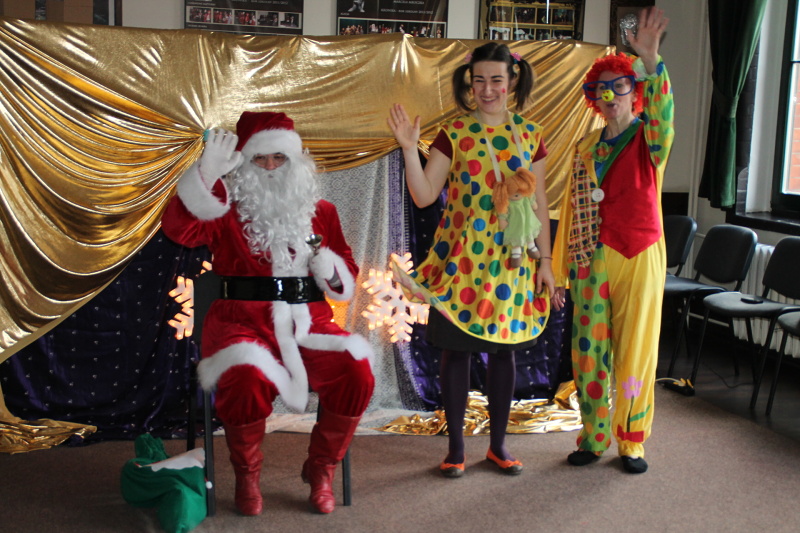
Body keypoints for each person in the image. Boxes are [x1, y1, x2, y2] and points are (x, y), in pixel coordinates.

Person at [161, 112, 375, 515]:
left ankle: (321, 468)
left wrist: (328, 268)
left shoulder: (322, 211)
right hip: (238, 322)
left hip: (307, 322)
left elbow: (345, 276)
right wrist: (205, 175)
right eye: (260, 158)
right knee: (244, 374)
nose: (271, 167)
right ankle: (247, 475)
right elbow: (178, 230)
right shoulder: (224, 208)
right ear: (244, 162)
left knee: (356, 367)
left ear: (295, 161)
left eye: (280, 157)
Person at [387, 42, 555, 478]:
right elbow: (424, 196)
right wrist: (409, 148)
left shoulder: (531, 135)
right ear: (470, 83)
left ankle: (498, 446)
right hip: (461, 265)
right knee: (456, 354)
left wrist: (546, 261)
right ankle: (456, 449)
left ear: (512, 81)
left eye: (496, 79)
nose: (487, 89)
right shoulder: (455, 133)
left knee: (503, 355)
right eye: (479, 80)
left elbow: (539, 203)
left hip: (511, 266)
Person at [551, 7, 672, 474]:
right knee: (588, 350)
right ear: (593, 100)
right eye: (602, 90)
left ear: (634, 92)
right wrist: (561, 270)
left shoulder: (650, 141)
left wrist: (651, 61)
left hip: (638, 254)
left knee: (635, 350)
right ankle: (594, 434)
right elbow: (570, 209)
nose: (610, 96)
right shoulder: (585, 149)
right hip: (590, 257)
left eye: (619, 87)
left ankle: (631, 440)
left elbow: (663, 117)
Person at [493, 168, 542, 267]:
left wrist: (534, 204)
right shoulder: (508, 203)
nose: (519, 195)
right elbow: (503, 212)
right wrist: (502, 220)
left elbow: (532, 202)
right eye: (516, 194)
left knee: (529, 234)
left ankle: (531, 247)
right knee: (516, 238)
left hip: (528, 222)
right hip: (515, 225)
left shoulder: (525, 198)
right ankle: (516, 254)